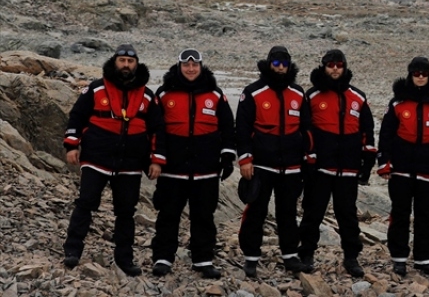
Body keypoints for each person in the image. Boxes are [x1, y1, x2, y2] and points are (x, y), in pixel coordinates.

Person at [62, 44, 157, 275]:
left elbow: (156, 130)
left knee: (126, 212)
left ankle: (124, 259)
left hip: (131, 164)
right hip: (96, 158)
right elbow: (76, 117)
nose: (126, 65)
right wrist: (71, 145)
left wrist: (155, 160)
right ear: (115, 62)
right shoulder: (95, 89)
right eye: (122, 60)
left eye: (130, 61)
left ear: (137, 64)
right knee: (85, 203)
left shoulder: (147, 95)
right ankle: (72, 251)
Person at [148, 49, 237, 278]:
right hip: (172, 171)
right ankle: (163, 257)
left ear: (200, 67)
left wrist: (227, 157)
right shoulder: (164, 94)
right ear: (179, 67)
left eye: (194, 65)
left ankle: (203, 259)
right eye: (186, 65)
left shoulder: (215, 95)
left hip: (206, 170)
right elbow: (155, 130)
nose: (190, 69)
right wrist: (156, 159)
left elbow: (228, 128)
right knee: (168, 215)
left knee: (204, 217)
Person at [298, 49, 376, 277]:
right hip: (320, 168)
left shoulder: (358, 98)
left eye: (338, 64)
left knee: (348, 215)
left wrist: (367, 163)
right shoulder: (312, 96)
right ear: (324, 67)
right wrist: (308, 159)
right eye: (330, 64)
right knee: (313, 212)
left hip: (348, 168)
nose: (334, 68)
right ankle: (306, 253)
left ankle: (351, 257)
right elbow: (304, 130)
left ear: (344, 67)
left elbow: (368, 133)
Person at [237, 45, 311, 278]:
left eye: (284, 64)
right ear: (269, 64)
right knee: (256, 211)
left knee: (287, 212)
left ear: (289, 66)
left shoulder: (299, 93)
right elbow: (241, 129)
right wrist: (245, 159)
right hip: (261, 165)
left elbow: (307, 129)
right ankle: (251, 257)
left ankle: (290, 255)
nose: (280, 68)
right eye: (276, 63)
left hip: (291, 165)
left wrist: (308, 156)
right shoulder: (252, 92)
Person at [376, 56, 429, 277]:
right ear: (410, 75)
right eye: (416, 73)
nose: (420, 77)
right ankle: (398, 258)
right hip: (401, 168)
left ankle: (423, 259)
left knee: (424, 216)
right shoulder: (398, 103)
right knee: (400, 213)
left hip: (428, 170)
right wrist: (384, 161)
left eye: (424, 73)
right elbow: (386, 134)